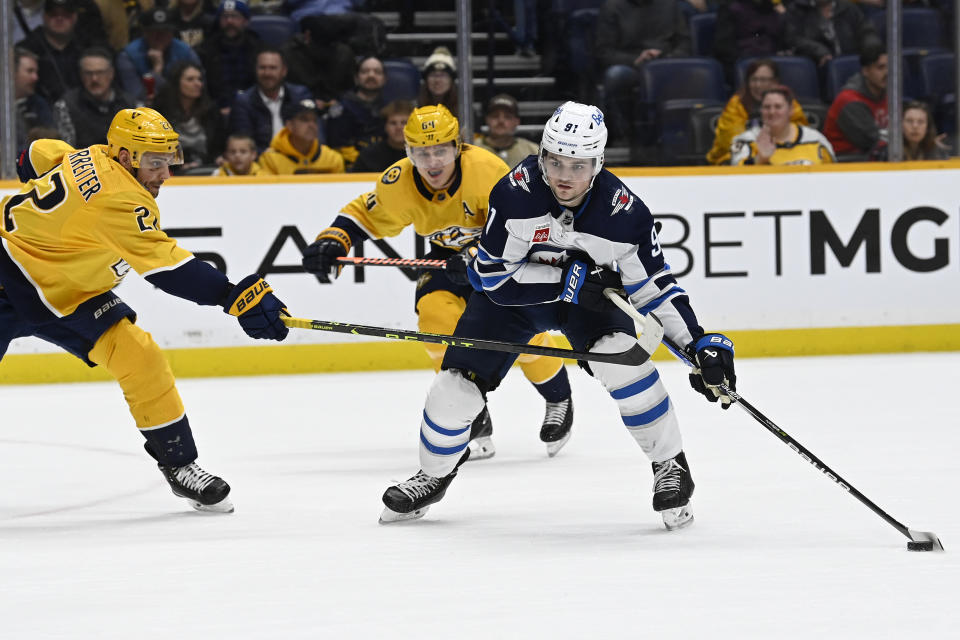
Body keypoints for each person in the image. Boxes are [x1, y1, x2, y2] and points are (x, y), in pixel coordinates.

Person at [379, 102, 736, 529]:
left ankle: (670, 465)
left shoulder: (626, 215)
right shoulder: (514, 193)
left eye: (579, 165)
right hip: (510, 304)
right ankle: (433, 475)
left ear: (598, 163)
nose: (565, 176)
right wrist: (569, 280)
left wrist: (697, 343)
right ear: (542, 155)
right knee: (453, 391)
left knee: (627, 363)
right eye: (555, 161)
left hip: (588, 305)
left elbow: (652, 287)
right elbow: (492, 278)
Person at [0, 107, 289, 513]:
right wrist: (232, 296)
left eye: (168, 161)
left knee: (141, 357)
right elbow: (170, 269)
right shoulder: (118, 197)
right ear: (123, 157)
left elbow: (35, 154)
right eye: (155, 163)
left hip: (70, 292)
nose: (165, 174)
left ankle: (181, 465)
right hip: (9, 275)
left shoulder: (93, 153)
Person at [301, 105, 575, 460]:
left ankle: (558, 397)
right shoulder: (398, 181)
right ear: (408, 152)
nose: (432, 162)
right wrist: (334, 239)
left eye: (440, 150)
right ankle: (470, 411)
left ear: (458, 147)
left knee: (515, 330)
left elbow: (521, 228)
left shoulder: (488, 171)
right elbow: (365, 215)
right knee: (434, 319)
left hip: (504, 259)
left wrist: (479, 255)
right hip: (446, 260)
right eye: (421, 152)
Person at [594, 0, 691, 145]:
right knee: (616, 75)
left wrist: (668, 57)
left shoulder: (670, 4)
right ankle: (623, 134)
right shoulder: (612, 7)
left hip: (665, 63)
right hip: (631, 64)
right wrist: (636, 59)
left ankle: (681, 136)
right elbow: (603, 52)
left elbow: (684, 43)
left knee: (693, 74)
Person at [707, 59, 810, 165]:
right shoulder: (737, 104)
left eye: (764, 80)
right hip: (735, 158)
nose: (758, 85)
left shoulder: (788, 103)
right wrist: (763, 151)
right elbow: (731, 141)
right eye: (753, 80)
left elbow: (799, 133)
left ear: (775, 82)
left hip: (785, 154)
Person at [15, 0, 110, 103]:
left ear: (75, 17)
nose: (59, 19)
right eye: (53, 14)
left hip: (87, 110)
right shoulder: (27, 48)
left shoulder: (89, 46)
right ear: (44, 17)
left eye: (66, 14)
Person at [229, 48, 313, 153]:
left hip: (298, 161)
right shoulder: (243, 102)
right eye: (262, 68)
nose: (267, 73)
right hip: (262, 163)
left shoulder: (300, 96)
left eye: (273, 68)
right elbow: (243, 146)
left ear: (284, 71)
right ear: (255, 70)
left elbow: (313, 135)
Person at [52, 48, 140, 149]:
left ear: (111, 73)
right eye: (88, 73)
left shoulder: (132, 106)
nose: (94, 79)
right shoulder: (66, 106)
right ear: (81, 75)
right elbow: (65, 151)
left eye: (100, 72)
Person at [116, 6, 202, 103]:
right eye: (154, 32)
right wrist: (156, 70)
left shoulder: (186, 52)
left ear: (172, 33)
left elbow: (200, 89)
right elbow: (137, 96)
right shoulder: (128, 55)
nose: (159, 37)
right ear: (145, 33)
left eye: (165, 32)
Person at [731, 86, 836, 165]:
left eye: (778, 107)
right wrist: (760, 159)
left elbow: (833, 176)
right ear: (761, 111)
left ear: (791, 110)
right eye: (767, 107)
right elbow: (735, 179)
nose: (772, 112)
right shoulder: (744, 140)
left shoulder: (816, 140)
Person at [153, 61, 226, 169]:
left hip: (207, 169)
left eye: (199, 79)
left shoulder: (211, 111)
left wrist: (217, 158)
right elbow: (156, 150)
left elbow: (217, 147)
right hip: (171, 172)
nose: (198, 84)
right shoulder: (161, 112)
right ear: (177, 83)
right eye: (190, 79)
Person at [823, 40, 888, 159]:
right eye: (881, 68)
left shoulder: (888, 94)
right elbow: (871, 141)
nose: (887, 72)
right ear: (866, 71)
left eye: (890, 67)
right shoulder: (849, 101)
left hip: (871, 160)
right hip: (846, 164)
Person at [196, 0, 261, 112]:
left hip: (254, 108)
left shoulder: (259, 48)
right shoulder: (206, 50)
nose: (229, 21)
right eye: (224, 17)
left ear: (245, 21)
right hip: (216, 110)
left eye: (234, 16)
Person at [325, 56, 389, 167]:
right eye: (365, 71)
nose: (371, 75)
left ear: (384, 79)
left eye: (377, 72)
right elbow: (337, 146)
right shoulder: (341, 109)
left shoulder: (391, 108)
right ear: (356, 78)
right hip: (352, 169)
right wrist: (366, 163)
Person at [257, 99, 345, 174]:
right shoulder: (270, 160)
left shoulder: (332, 159)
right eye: (304, 119)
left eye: (314, 120)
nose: (311, 125)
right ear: (289, 125)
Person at [347, 99, 413, 173]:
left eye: (404, 123)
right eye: (393, 123)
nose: (398, 128)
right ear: (385, 127)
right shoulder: (369, 155)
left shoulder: (422, 154)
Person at [474, 93, 539, 168]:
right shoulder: (473, 148)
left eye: (507, 117)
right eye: (495, 116)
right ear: (487, 119)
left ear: (517, 121)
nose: (501, 121)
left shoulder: (532, 151)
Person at [13, 48, 57, 151]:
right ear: (11, 72)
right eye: (30, 71)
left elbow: (53, 143)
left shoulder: (39, 104)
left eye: (36, 72)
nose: (35, 77)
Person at [417, 47, 459, 117]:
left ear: (451, 80)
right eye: (433, 75)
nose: (438, 80)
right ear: (426, 80)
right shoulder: (414, 110)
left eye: (443, 75)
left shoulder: (464, 111)